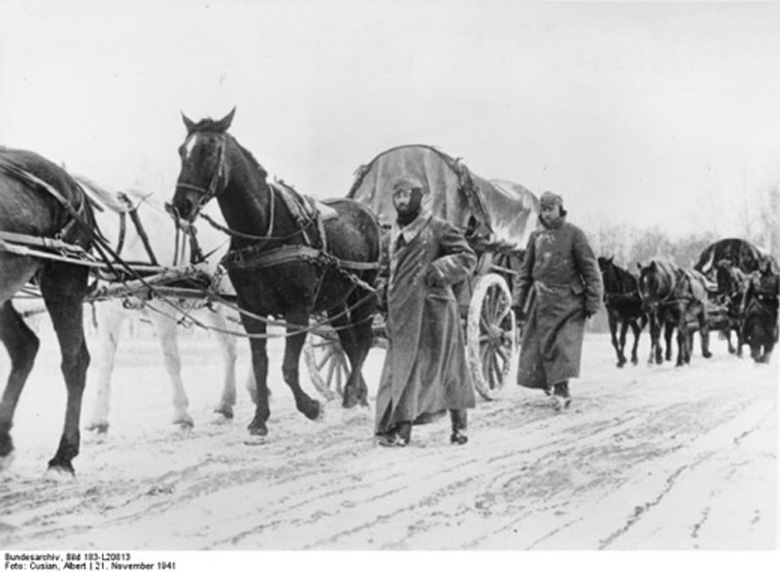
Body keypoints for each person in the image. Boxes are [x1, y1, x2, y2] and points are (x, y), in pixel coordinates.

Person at [374, 175, 477, 447]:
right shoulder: (389, 236)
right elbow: (384, 270)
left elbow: (468, 258)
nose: (402, 200)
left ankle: (459, 427)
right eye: (397, 195)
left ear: (418, 197)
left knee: (449, 368)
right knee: (401, 369)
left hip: (434, 312)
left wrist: (439, 269)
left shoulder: (439, 228)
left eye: (407, 195)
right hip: (401, 313)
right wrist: (381, 288)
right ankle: (400, 429)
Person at [511, 191, 603, 410]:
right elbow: (525, 272)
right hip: (542, 301)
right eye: (543, 209)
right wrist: (518, 301)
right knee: (541, 347)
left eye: (551, 209)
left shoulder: (574, 234)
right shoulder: (536, 237)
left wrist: (593, 301)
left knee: (563, 347)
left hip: (569, 303)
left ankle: (562, 391)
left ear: (560, 209)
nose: (547, 213)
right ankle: (551, 385)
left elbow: (591, 270)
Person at [740, 258, 779, 363]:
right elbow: (748, 293)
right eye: (761, 264)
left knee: (770, 334)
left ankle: (767, 356)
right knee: (753, 332)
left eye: (764, 264)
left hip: (771, 310)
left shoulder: (776, 278)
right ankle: (755, 354)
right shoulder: (755, 277)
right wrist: (744, 306)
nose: (762, 266)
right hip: (756, 309)